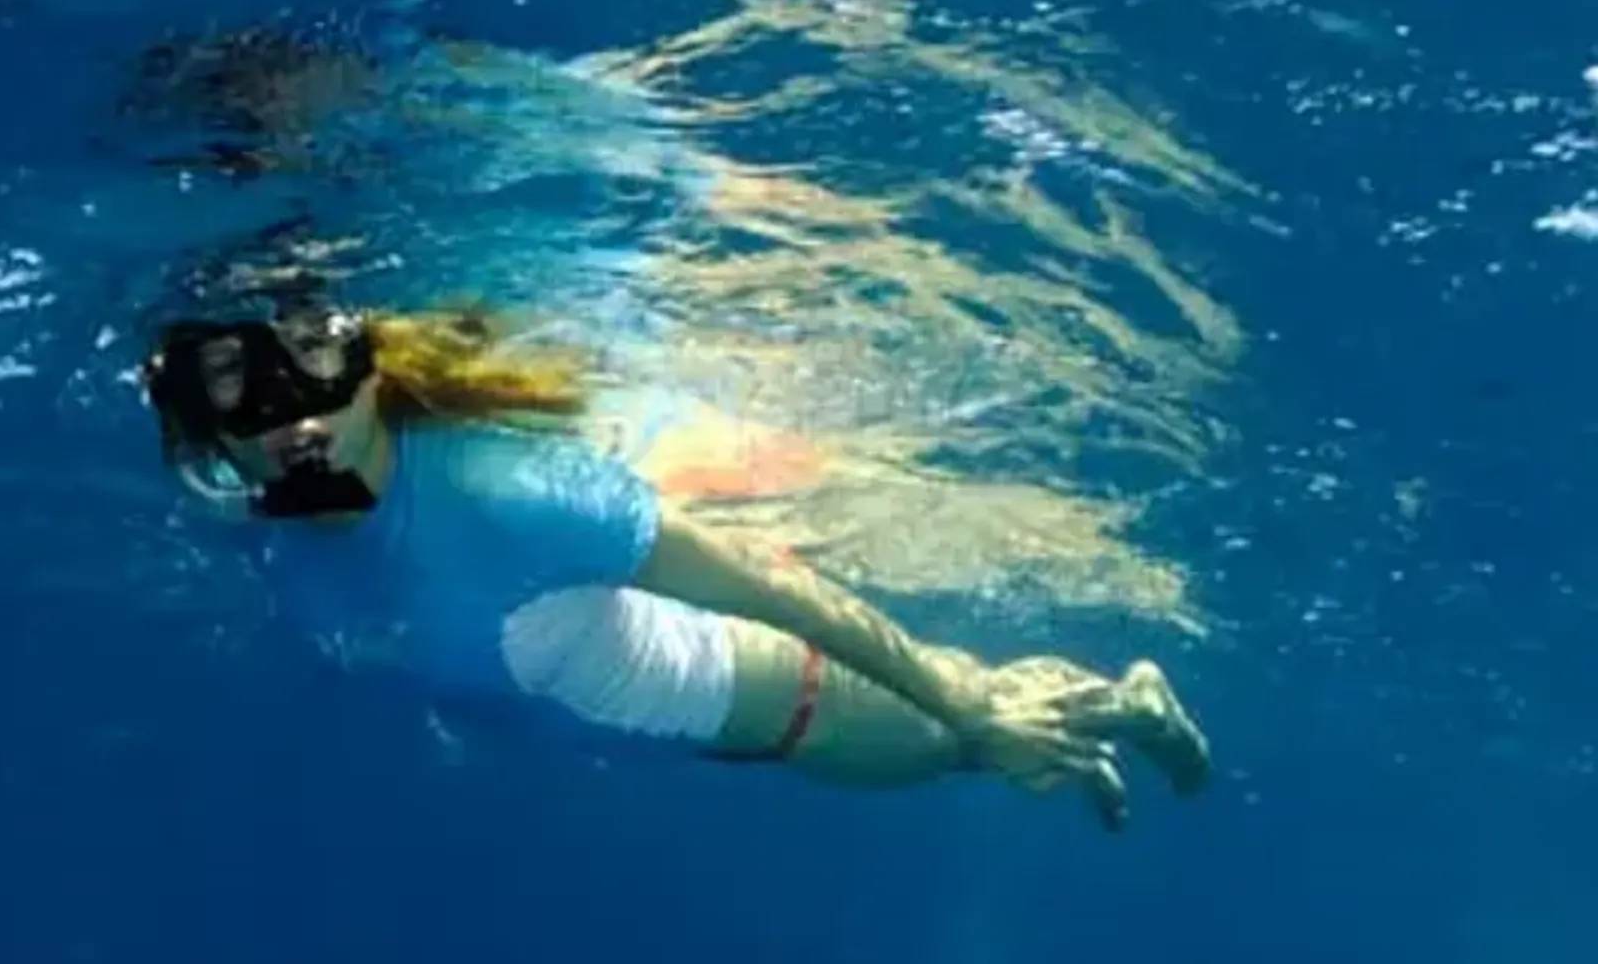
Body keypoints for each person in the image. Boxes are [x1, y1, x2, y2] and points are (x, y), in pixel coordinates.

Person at [141, 295, 1213, 826]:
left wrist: (964, 711)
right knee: (983, 734)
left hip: (798, 707)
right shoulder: (275, 536)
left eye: (318, 359)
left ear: (372, 371)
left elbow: (773, 582)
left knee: (975, 741)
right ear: (206, 424)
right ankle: (1094, 712)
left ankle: (1126, 703)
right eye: (236, 380)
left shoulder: (503, 495)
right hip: (702, 738)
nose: (289, 407)